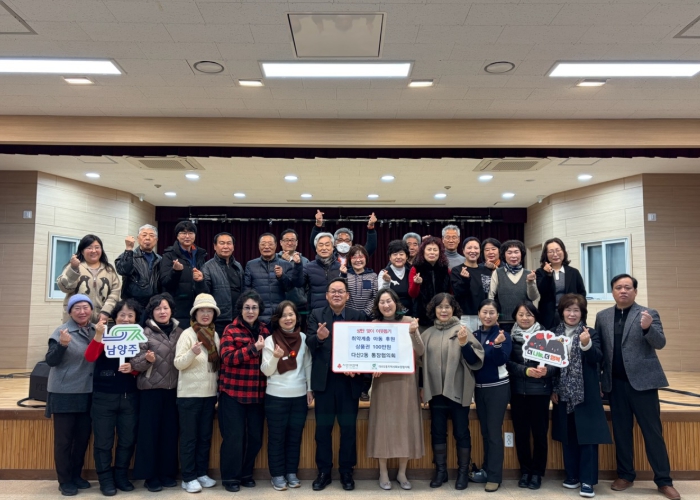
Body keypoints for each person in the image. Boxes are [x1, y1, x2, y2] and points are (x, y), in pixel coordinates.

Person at [596, 274, 680, 500]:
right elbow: (600, 351)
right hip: (615, 385)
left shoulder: (648, 313)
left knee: (653, 433)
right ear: (612, 291)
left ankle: (664, 481)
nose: (623, 291)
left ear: (635, 291)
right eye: (618, 287)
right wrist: (600, 380)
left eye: (627, 287)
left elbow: (660, 343)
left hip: (644, 384)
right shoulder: (602, 316)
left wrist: (647, 328)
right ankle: (625, 475)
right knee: (621, 432)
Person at [305, 278, 369, 491]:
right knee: (323, 430)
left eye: (341, 291)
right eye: (333, 291)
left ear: (347, 295)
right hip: (324, 383)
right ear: (326, 295)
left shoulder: (358, 316)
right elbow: (309, 343)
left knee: (348, 429)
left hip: (349, 383)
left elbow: (364, 347)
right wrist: (319, 338)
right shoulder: (316, 315)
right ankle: (323, 471)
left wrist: (357, 367)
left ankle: (346, 471)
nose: (337, 294)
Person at [420, 293, 484, 490]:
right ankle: (441, 471)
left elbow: (475, 361)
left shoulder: (463, 330)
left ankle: (463, 472)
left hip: (458, 390)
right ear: (434, 310)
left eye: (447, 307)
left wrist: (464, 344)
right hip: (435, 392)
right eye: (440, 307)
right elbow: (420, 363)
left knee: (461, 432)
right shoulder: (427, 333)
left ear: (454, 309)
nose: (444, 310)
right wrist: (421, 388)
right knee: (437, 431)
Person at [551, 294, 611, 499]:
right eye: (568, 310)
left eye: (576, 310)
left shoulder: (590, 333)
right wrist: (554, 388)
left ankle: (587, 480)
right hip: (563, 392)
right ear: (562, 312)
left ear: (582, 313)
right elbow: (552, 365)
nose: (572, 314)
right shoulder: (553, 334)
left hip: (586, 392)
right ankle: (573, 475)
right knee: (568, 436)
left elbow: (597, 358)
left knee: (588, 437)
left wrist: (586, 344)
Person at [84, 298, 143, 496]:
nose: (126, 319)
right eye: (122, 315)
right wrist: (98, 336)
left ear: (136, 319)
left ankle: (121, 475)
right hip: (103, 396)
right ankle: (105, 479)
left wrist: (133, 368)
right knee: (103, 441)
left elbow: (143, 365)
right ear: (115, 317)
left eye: (130, 315)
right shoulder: (105, 335)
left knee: (127, 439)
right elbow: (90, 357)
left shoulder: (138, 337)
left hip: (129, 396)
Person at [367, 289, 424, 491]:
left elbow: (421, 351)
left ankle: (402, 472)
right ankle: (383, 472)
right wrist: (373, 367)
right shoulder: (374, 325)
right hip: (382, 382)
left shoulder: (409, 321)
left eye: (389, 301)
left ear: (396, 302)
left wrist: (413, 333)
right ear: (377, 306)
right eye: (382, 302)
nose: (386, 305)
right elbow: (368, 355)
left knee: (404, 425)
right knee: (383, 426)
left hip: (405, 381)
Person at [130, 293, 184, 492]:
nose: (162, 311)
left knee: (170, 434)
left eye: (165, 308)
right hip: (150, 390)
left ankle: (167, 473)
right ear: (151, 312)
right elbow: (134, 362)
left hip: (173, 390)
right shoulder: (143, 333)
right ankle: (150, 476)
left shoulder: (180, 332)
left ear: (171, 310)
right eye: (158, 308)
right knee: (149, 435)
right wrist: (147, 360)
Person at [218, 291, 271, 492]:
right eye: (247, 307)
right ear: (241, 309)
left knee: (255, 438)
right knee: (234, 438)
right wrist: (253, 349)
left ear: (259, 310)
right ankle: (230, 477)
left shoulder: (265, 330)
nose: (250, 311)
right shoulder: (230, 329)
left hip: (257, 394)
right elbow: (227, 358)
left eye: (254, 308)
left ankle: (246, 473)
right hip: (233, 393)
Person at [45, 294, 97, 497]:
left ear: (91, 310)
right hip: (64, 392)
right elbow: (51, 361)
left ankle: (76, 475)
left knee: (82, 438)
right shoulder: (62, 332)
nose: (82, 312)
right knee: (64, 440)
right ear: (70, 312)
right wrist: (62, 345)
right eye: (77, 308)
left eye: (85, 307)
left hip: (87, 391)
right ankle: (64, 480)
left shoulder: (96, 331)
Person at [260, 301, 313, 491]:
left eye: (291, 314)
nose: (288, 318)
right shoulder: (269, 340)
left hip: (299, 396)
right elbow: (266, 371)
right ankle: (277, 475)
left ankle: (291, 472)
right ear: (277, 319)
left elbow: (307, 365)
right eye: (283, 315)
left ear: (297, 317)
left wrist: (309, 389)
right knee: (276, 438)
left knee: (294, 437)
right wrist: (275, 356)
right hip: (276, 397)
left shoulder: (304, 338)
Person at [174, 293, 221, 493]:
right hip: (189, 396)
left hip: (209, 395)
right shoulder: (187, 334)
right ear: (195, 313)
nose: (205, 314)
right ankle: (188, 477)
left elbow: (216, 366)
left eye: (209, 311)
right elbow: (178, 363)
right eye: (202, 310)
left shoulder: (215, 335)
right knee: (189, 439)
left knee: (204, 437)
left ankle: (201, 473)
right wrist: (192, 353)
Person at [507, 301, 554, 490]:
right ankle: (525, 471)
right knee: (521, 434)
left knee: (540, 435)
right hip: (517, 392)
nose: (525, 318)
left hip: (540, 392)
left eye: (529, 314)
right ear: (515, 317)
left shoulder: (546, 337)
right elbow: (507, 363)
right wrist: (525, 371)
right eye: (521, 314)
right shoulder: (509, 337)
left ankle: (537, 473)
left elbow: (556, 364)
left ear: (535, 317)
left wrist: (547, 371)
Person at [469, 299, 512, 493]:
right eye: (484, 312)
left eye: (492, 312)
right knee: (485, 432)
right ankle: (486, 470)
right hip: (479, 389)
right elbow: (471, 360)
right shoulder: (475, 335)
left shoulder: (503, 335)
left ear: (497, 315)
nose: (488, 316)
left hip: (498, 388)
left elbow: (500, 360)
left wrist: (496, 346)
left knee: (494, 433)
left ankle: (494, 477)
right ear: (479, 313)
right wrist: (463, 344)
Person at [57, 234, 121, 323]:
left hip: (100, 320)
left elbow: (115, 293)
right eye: (89, 248)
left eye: (97, 247)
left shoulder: (109, 269)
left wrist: (106, 311)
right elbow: (65, 288)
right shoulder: (74, 266)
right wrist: (73, 269)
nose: (94, 251)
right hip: (75, 320)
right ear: (82, 251)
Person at [244, 233, 303, 324]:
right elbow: (246, 290)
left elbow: (290, 288)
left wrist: (281, 276)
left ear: (276, 245)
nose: (266, 247)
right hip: (259, 315)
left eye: (270, 244)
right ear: (258, 246)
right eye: (263, 244)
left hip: (280, 314)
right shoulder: (251, 265)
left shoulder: (286, 264)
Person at [159, 221, 207, 325]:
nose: (187, 236)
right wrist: (175, 272)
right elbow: (165, 282)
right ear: (177, 236)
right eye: (183, 233)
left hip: (198, 307)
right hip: (178, 308)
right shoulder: (169, 255)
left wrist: (200, 280)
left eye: (190, 233)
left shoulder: (200, 254)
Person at [488, 240, 539, 332]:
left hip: (525, 321)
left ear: (521, 254)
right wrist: (492, 316)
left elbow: (533, 297)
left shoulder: (529, 273)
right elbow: (491, 296)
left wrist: (530, 282)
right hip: (503, 321)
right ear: (504, 255)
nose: (513, 256)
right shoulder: (497, 272)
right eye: (509, 252)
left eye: (516, 252)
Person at [536, 238, 586, 330]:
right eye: (551, 252)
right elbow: (542, 291)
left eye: (558, 250)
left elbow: (582, 294)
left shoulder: (573, 272)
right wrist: (548, 275)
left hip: (570, 315)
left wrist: (581, 314)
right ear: (546, 254)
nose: (555, 254)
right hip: (548, 316)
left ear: (563, 251)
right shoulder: (540, 272)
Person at [200, 232, 243, 333]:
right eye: (222, 243)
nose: (225, 246)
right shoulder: (207, 267)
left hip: (238, 317)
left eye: (229, 243)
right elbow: (204, 293)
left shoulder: (238, 266)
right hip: (219, 318)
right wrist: (200, 281)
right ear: (215, 246)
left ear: (233, 247)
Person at [408, 236, 452, 329]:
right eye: (429, 249)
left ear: (440, 252)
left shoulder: (445, 269)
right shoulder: (416, 268)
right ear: (423, 251)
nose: (432, 252)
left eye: (435, 250)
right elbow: (412, 294)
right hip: (422, 316)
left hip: (442, 315)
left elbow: (450, 292)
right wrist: (417, 284)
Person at [115, 224, 161, 308]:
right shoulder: (128, 255)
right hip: (132, 305)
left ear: (156, 240)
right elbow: (123, 271)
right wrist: (128, 249)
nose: (147, 238)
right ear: (138, 239)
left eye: (151, 235)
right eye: (144, 235)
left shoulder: (159, 259)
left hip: (153, 305)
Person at [451, 237, 491, 332]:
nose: (473, 251)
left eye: (476, 248)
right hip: (464, 317)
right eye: (469, 248)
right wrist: (465, 280)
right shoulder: (457, 270)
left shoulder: (486, 270)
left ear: (480, 251)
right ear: (463, 251)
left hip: (485, 316)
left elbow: (489, 294)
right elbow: (458, 293)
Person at [310, 210, 378, 263]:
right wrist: (318, 224)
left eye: (347, 240)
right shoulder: (328, 254)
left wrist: (371, 227)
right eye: (340, 240)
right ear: (335, 243)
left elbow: (371, 246)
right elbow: (314, 243)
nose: (343, 242)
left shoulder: (356, 256)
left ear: (351, 243)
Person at [277, 229, 310, 328]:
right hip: (279, 304)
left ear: (297, 242)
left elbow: (307, 284)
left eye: (292, 240)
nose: (289, 243)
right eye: (286, 240)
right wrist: (285, 262)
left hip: (300, 305)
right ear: (281, 242)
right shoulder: (275, 259)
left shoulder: (305, 261)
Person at [304, 232, 342, 310]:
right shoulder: (308, 267)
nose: (324, 248)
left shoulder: (340, 267)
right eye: (321, 245)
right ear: (316, 249)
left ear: (333, 247)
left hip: (337, 310)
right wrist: (297, 266)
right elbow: (298, 284)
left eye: (327, 245)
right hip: (316, 311)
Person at [378, 239, 413, 312]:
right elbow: (381, 295)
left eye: (401, 254)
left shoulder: (410, 272)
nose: (398, 257)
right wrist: (386, 282)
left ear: (406, 256)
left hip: (409, 312)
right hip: (390, 312)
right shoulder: (384, 273)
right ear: (390, 258)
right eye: (395, 254)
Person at [343, 244, 378, 317]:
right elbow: (342, 296)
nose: (358, 260)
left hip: (368, 316)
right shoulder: (345, 275)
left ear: (366, 258)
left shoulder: (373, 276)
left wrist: (365, 313)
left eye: (361, 257)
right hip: (348, 316)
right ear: (350, 259)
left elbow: (375, 297)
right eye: (354, 257)